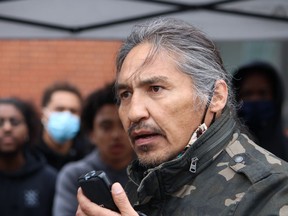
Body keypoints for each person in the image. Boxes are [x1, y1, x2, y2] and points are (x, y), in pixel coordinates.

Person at [76, 17, 288, 216]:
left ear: (215, 96)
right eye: (125, 94)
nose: (134, 112)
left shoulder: (272, 190)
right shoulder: (143, 179)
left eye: (155, 89)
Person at [53, 82, 134, 216]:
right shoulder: (74, 175)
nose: (116, 135)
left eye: (123, 124)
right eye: (106, 126)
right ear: (91, 134)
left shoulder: (152, 171)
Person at [0, 98, 57, 216]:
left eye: (14, 122)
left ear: (28, 129)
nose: (7, 128)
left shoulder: (49, 179)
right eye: (0, 123)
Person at [232, 61, 288, 161]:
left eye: (262, 93)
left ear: (276, 98)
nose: (255, 99)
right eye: (248, 93)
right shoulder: (226, 149)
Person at [36, 82, 92, 171]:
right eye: (59, 109)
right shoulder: (29, 154)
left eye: (73, 111)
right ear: (43, 115)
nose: (66, 115)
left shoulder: (88, 154)